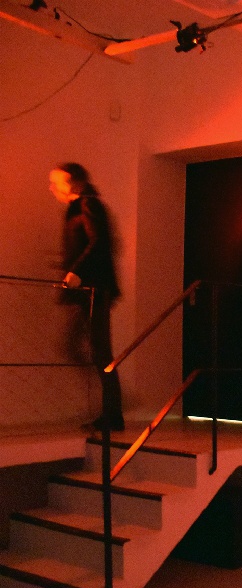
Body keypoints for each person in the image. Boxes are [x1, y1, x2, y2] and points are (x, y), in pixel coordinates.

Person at [49, 162, 124, 432]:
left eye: (56, 182)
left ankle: (113, 413)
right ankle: (113, 410)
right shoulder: (80, 207)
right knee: (94, 350)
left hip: (94, 291)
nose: (52, 188)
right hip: (88, 290)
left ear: (72, 182)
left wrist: (76, 271)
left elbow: (99, 242)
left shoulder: (88, 204)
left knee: (99, 352)